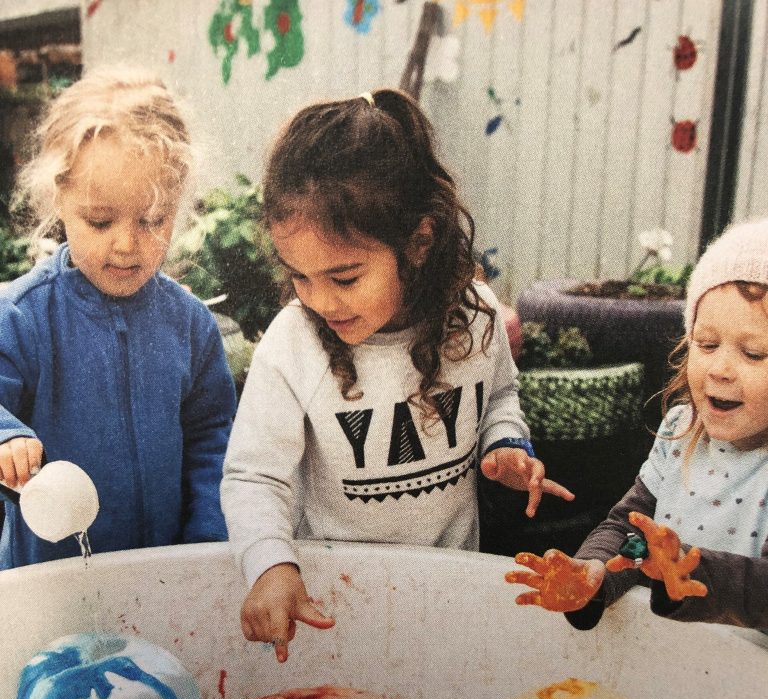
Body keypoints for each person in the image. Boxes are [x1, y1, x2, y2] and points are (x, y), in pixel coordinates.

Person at [221, 88, 573, 660]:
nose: (320, 301)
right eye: (300, 278)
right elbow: (255, 478)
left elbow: (500, 392)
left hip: (450, 592)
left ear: (418, 242)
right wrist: (270, 564)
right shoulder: (294, 343)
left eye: (344, 276)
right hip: (331, 607)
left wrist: (504, 442)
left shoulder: (475, 316)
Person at [0, 65, 236, 569]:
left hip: (165, 574)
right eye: (100, 220)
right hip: (50, 582)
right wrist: (6, 436)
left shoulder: (191, 325)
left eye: (153, 220)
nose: (127, 244)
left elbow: (213, 442)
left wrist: (207, 538)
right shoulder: (24, 316)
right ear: (59, 198)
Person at [505, 217, 768, 631]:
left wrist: (691, 574)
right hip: (662, 657)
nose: (720, 369)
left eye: (754, 354)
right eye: (707, 344)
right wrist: (594, 573)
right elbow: (632, 529)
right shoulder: (681, 430)